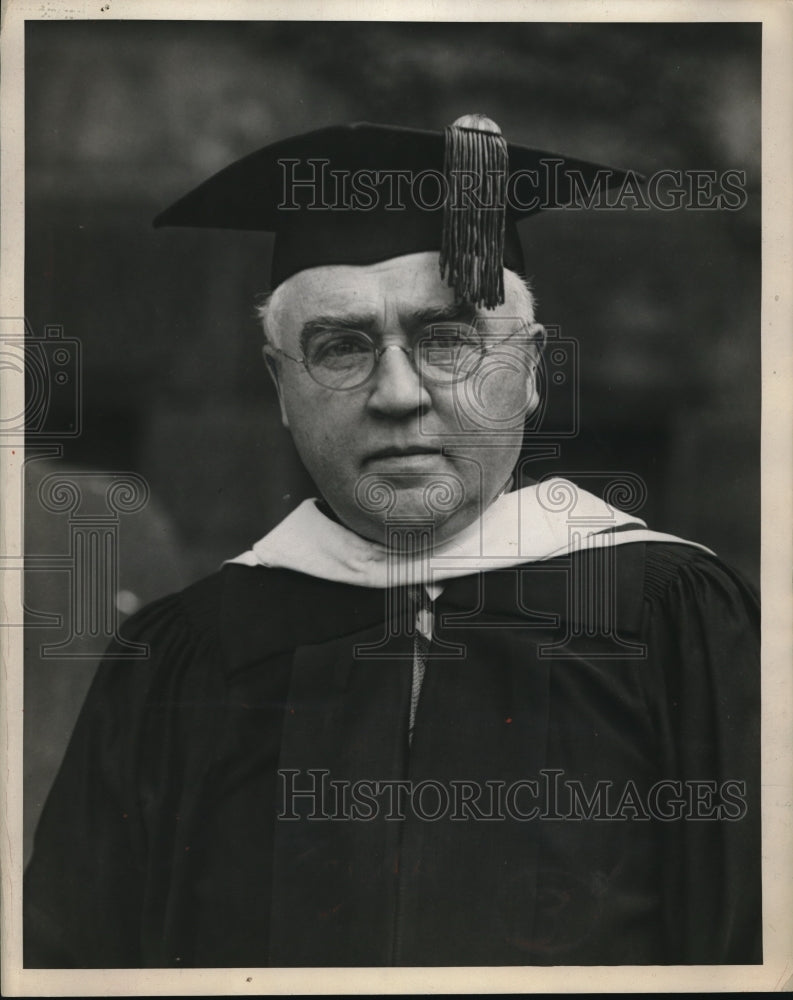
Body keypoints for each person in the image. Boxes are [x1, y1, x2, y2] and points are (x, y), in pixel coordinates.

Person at [23, 116, 761, 968]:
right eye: (341, 349)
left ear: (529, 369)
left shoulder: (674, 620)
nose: (398, 394)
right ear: (280, 387)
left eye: (446, 340)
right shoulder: (183, 655)